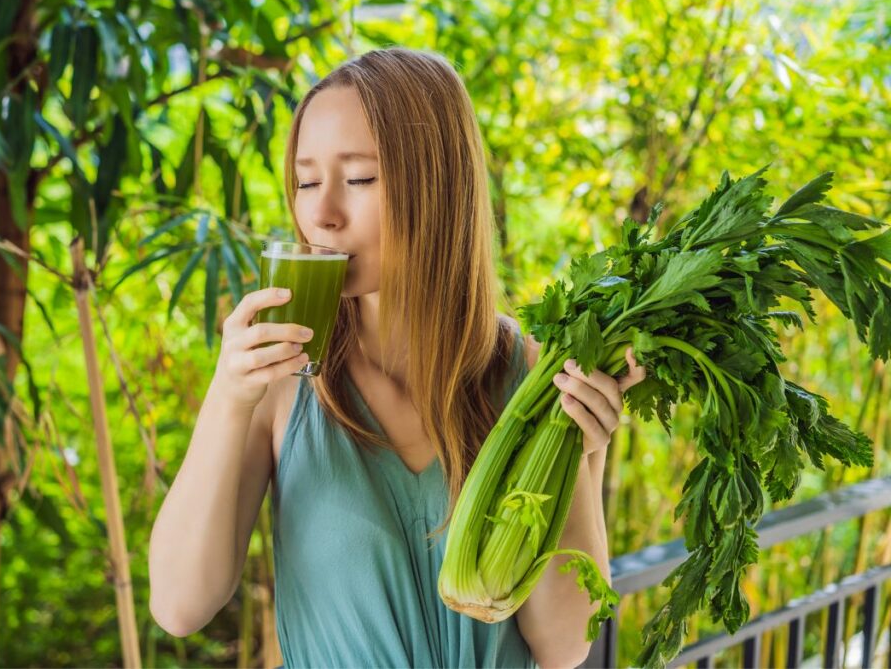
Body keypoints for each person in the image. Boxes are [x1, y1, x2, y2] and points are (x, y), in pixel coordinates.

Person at [148, 47, 647, 669]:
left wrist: (578, 455)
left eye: (358, 178)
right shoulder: (279, 379)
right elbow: (178, 606)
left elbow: (563, 648)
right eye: (306, 181)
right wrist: (227, 400)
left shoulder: (534, 374)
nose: (321, 215)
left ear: (439, 183)